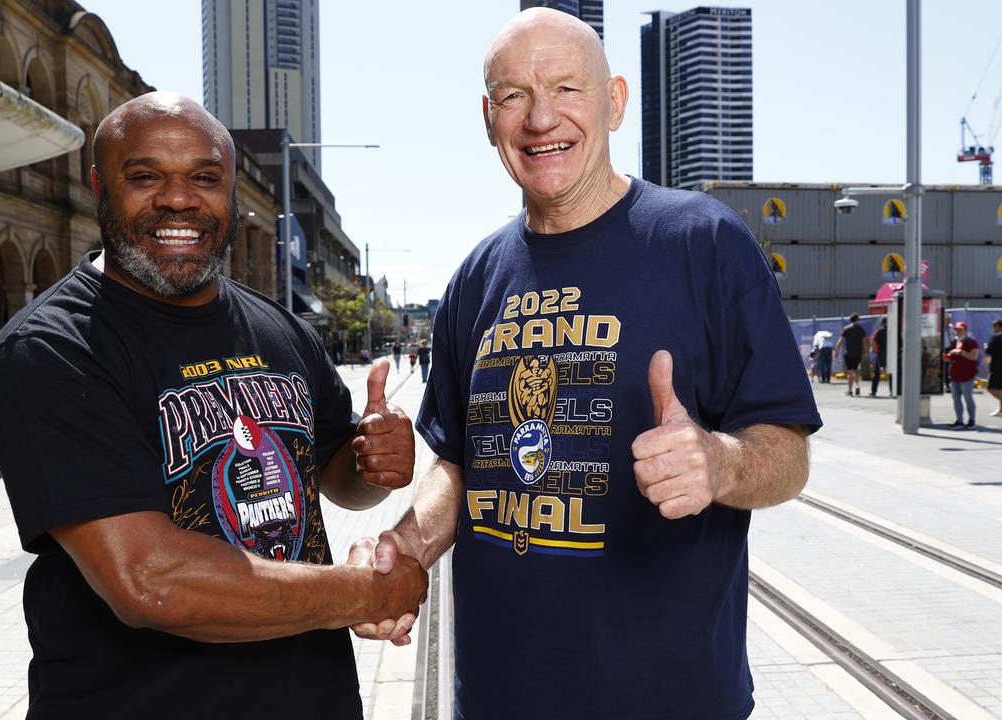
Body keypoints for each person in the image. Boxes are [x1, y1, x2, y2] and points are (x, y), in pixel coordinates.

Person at [345, 10, 821, 719]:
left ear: (616, 101)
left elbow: (787, 453)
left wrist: (718, 463)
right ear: (488, 117)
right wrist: (408, 547)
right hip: (498, 696)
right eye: (513, 96)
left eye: (567, 88)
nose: (541, 118)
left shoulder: (704, 243)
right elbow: (459, 463)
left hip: (668, 698)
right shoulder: (476, 277)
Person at [0, 93, 426, 718]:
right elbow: (151, 582)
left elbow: (337, 481)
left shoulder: (281, 330)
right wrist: (364, 594)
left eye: (204, 178)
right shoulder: (52, 350)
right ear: (101, 187)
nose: (178, 199)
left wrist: (374, 462)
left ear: (232, 194)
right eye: (145, 176)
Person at [944, 321, 980, 428]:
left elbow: (974, 357)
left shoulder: (971, 342)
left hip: (967, 375)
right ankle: (959, 420)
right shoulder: (954, 342)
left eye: (960, 330)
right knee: (956, 398)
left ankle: (972, 420)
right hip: (955, 374)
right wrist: (948, 357)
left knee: (968, 398)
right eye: (956, 330)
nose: (958, 332)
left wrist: (961, 352)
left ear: (965, 330)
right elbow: (951, 356)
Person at [834, 313, 867, 397]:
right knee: (856, 370)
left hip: (849, 353)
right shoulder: (861, 330)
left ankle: (849, 390)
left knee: (851, 371)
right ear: (857, 320)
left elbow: (840, 341)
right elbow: (864, 342)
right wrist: (866, 352)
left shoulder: (846, 329)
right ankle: (857, 385)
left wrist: (836, 351)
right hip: (858, 353)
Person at [870, 316, 891, 397]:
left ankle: (874, 391)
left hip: (880, 354)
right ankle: (893, 391)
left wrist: (876, 351)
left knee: (877, 374)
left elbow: (874, 342)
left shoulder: (878, 332)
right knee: (891, 374)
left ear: (881, 323)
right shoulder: (893, 331)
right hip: (890, 354)